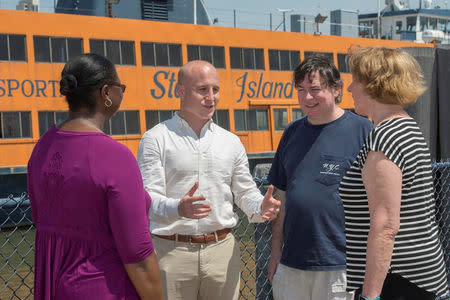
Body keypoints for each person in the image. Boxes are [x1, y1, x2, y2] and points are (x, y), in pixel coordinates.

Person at [137, 60, 280, 300]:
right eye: (202, 89)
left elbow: (245, 193)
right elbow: (147, 199)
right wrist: (178, 208)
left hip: (221, 252)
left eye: (215, 89)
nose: (211, 97)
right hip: (171, 253)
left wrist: (261, 207)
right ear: (181, 91)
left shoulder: (231, 142)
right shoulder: (155, 139)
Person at [27, 53, 163, 300]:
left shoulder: (42, 146)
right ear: (107, 93)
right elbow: (137, 254)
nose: (122, 93)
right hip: (102, 286)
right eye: (121, 87)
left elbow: (39, 218)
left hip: (53, 284)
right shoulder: (115, 156)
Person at [340, 46, 449, 300]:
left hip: (397, 278)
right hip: (418, 275)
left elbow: (386, 225)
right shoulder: (407, 127)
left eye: (355, 80)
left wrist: (370, 296)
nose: (349, 88)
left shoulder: (384, 137)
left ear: (373, 85)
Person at [267, 54, 373, 300]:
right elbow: (280, 196)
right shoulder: (292, 132)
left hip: (340, 265)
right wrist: (275, 252)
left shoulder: (363, 131)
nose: (307, 98)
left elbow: (378, 204)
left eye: (315, 90)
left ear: (337, 90)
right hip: (291, 264)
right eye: (301, 90)